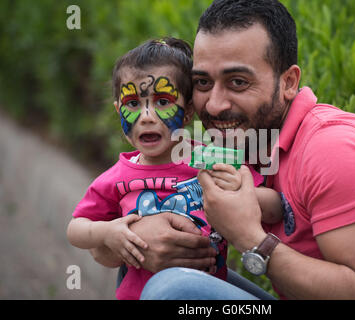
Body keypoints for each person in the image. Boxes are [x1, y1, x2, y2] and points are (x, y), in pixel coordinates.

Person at [138, 0, 355, 300]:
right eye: (203, 83)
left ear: (288, 82)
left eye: (237, 82)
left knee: (172, 290)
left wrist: (250, 239)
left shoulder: (333, 149)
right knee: (155, 265)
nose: (216, 105)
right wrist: (133, 238)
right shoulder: (252, 138)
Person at [67, 37, 283, 300]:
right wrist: (107, 232)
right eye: (133, 104)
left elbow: (275, 208)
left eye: (162, 102)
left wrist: (238, 191)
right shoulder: (119, 176)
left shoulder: (208, 158)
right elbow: (76, 228)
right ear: (118, 111)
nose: (147, 116)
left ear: (189, 111)